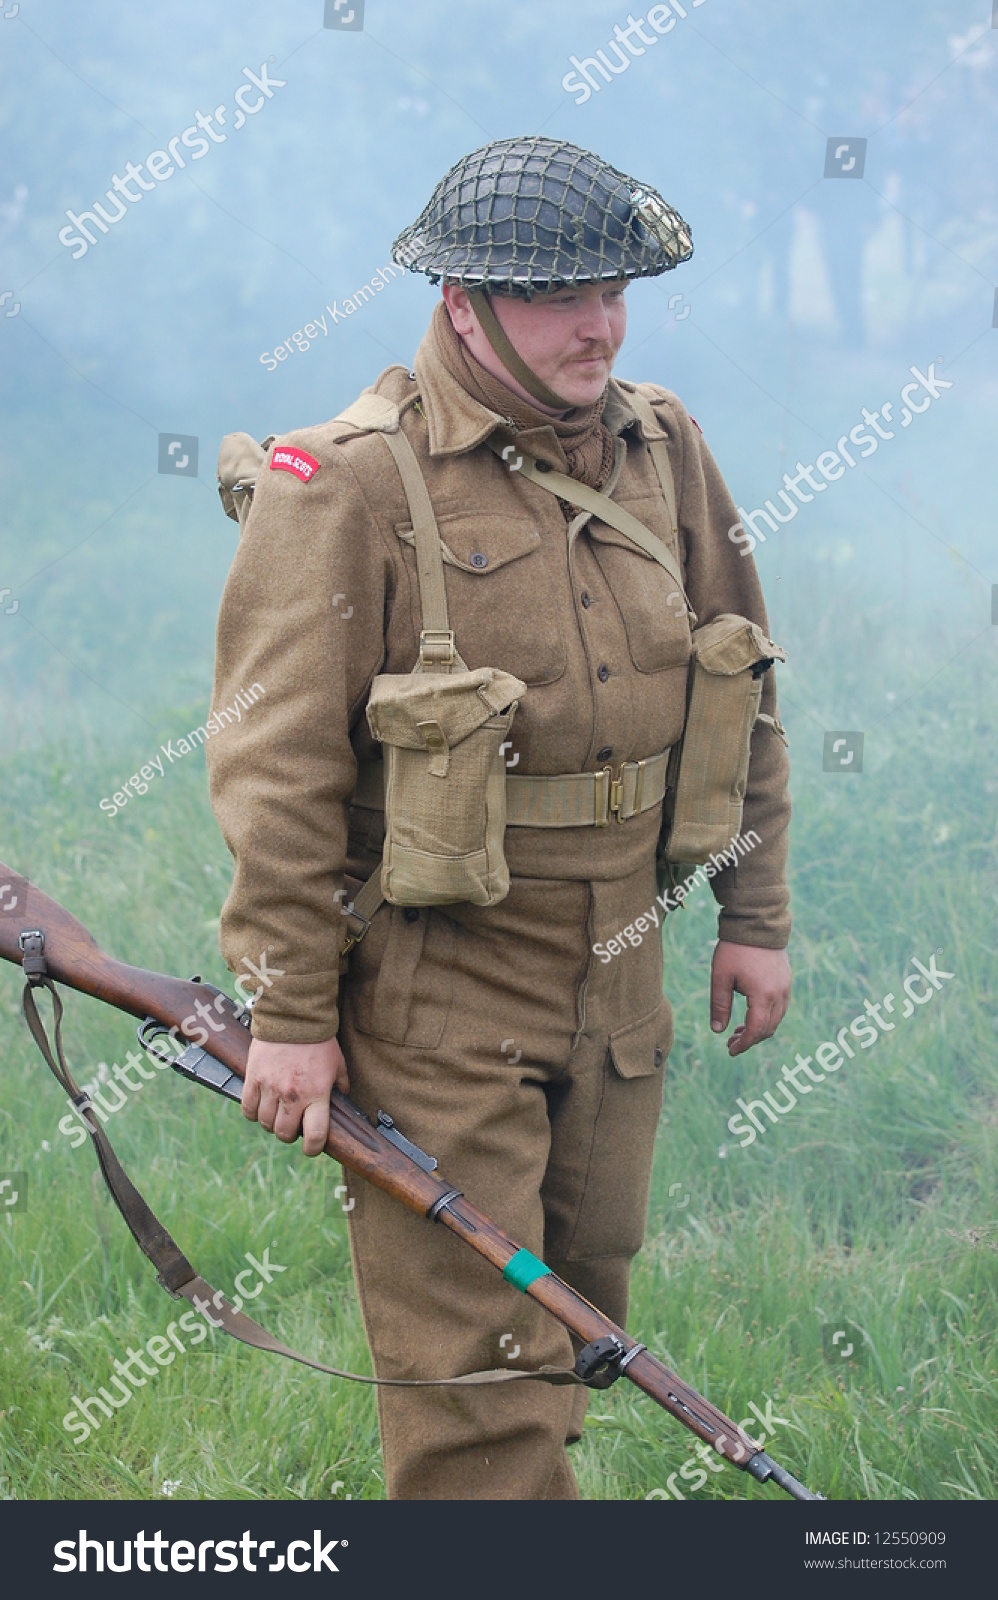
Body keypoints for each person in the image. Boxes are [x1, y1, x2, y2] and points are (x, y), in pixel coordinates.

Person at [206, 136, 792, 1500]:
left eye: (615, 290)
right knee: (478, 1379)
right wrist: (290, 1013)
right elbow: (274, 771)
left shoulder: (664, 445)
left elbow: (743, 678)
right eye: (560, 295)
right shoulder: (340, 482)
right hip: (440, 985)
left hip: (622, 964)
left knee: (575, 1323)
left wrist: (750, 920)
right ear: (461, 302)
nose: (601, 324)